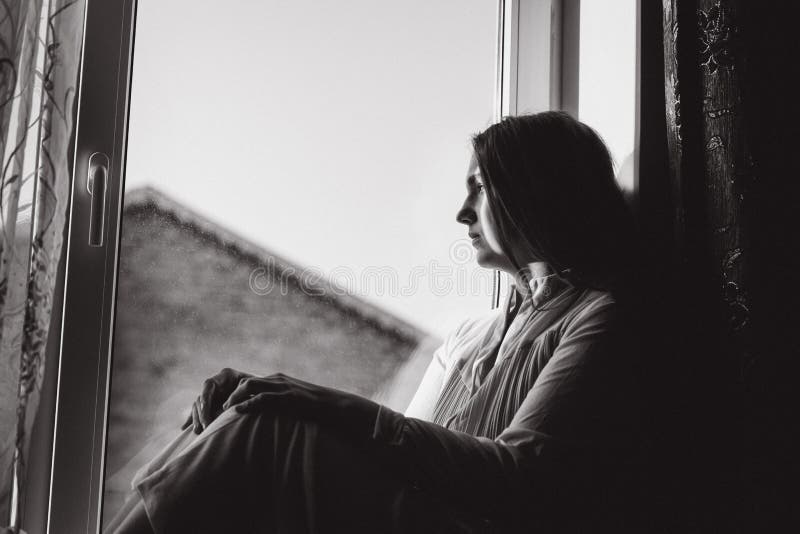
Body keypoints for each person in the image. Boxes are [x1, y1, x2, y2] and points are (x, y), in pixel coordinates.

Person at [107, 111, 648, 534]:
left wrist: (317, 403)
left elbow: (518, 476)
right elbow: (391, 451)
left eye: (480, 187)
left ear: (534, 189)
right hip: (410, 516)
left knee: (267, 427)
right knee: (237, 407)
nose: (462, 212)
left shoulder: (596, 317)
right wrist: (271, 394)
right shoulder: (470, 336)